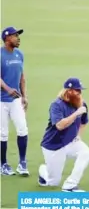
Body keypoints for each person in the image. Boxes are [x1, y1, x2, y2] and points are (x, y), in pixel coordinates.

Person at [38, 77, 89, 192]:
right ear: (69, 91)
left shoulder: (81, 103)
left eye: (80, 91)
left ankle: (70, 184)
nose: (79, 93)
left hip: (70, 141)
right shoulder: (56, 105)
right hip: (54, 145)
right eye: (77, 91)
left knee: (86, 152)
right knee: (53, 182)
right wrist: (76, 113)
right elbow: (59, 125)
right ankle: (43, 171)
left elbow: (83, 122)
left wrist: (78, 136)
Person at [0, 26, 30, 176]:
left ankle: (22, 163)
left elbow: (22, 76)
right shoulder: (0, 54)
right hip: (1, 101)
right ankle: (3, 164)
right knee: (3, 133)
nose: (18, 38)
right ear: (7, 39)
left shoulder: (19, 54)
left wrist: (24, 95)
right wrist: (7, 89)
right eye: (14, 36)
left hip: (16, 100)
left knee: (22, 129)